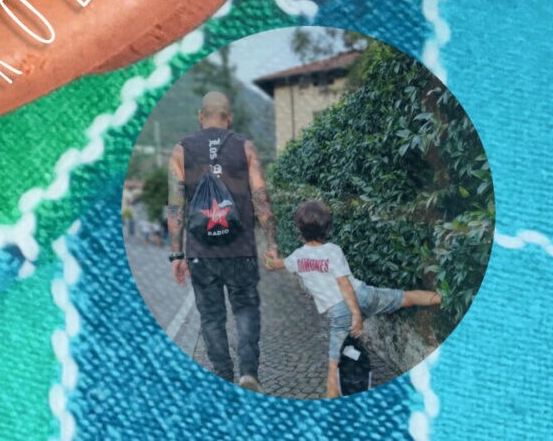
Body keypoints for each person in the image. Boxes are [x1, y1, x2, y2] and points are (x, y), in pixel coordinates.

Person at [169, 90, 281, 388]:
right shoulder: (245, 147)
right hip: (241, 249)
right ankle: (248, 373)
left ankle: (223, 376)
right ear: (228, 118)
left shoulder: (181, 151)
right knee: (245, 310)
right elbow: (261, 198)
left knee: (211, 318)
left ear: (200, 116)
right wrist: (272, 245)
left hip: (200, 253)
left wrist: (176, 255)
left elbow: (175, 207)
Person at [284, 198, 444, 397]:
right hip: (364, 294)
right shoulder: (333, 251)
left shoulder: (298, 256)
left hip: (342, 312)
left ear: (299, 229)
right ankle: (445, 299)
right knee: (406, 297)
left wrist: (356, 316)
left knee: (334, 366)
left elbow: (342, 285)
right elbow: (346, 283)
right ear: (327, 228)